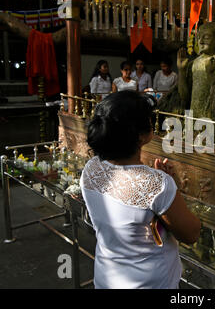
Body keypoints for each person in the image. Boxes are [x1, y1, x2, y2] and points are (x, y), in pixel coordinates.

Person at [81, 91, 201, 289]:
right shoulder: (157, 183)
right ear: (141, 135)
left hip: (106, 278)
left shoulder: (92, 169)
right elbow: (191, 234)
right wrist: (169, 184)